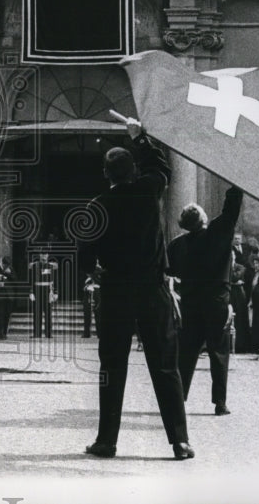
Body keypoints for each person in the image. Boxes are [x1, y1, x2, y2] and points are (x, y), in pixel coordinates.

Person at [78, 118, 193, 460]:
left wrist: (96, 270)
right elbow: (160, 166)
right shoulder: (149, 190)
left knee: (112, 367)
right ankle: (180, 442)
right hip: (152, 290)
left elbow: (85, 256)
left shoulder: (97, 205)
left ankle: (107, 441)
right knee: (165, 367)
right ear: (133, 171)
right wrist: (138, 136)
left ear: (106, 174)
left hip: (115, 292)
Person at [167, 185, 243, 417]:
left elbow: (171, 271)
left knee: (186, 353)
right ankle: (220, 403)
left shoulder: (176, 245)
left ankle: (178, 399)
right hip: (216, 301)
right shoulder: (218, 233)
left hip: (191, 302)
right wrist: (236, 182)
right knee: (218, 352)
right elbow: (231, 210)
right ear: (203, 218)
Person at [28, 248, 56, 338]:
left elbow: (54, 280)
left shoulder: (51, 266)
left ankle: (48, 333)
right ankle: (37, 333)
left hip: (48, 291)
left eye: (45, 254)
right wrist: (31, 292)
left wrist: (55, 292)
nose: (44, 255)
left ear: (48, 255)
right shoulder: (34, 266)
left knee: (48, 313)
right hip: (37, 291)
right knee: (37, 313)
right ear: (40, 255)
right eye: (42, 254)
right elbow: (31, 280)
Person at [0, 255, 16, 341]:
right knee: (0, 315)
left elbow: (15, 280)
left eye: (7, 264)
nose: (6, 266)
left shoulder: (11, 269)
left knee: (7, 315)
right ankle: (0, 333)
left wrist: (9, 274)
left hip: (9, 295)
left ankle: (5, 332)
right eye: (5, 264)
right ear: (2, 263)